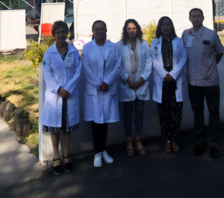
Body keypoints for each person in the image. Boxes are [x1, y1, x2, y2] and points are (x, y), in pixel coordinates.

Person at [181, 8, 224, 159]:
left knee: (213, 113)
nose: (196, 18)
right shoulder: (185, 35)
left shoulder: (211, 34)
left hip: (210, 81)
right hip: (193, 82)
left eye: (199, 16)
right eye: (193, 16)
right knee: (197, 113)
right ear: (189, 18)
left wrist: (211, 66)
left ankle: (214, 144)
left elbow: (220, 52)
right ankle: (200, 142)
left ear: (203, 18)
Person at [42, 20, 82, 174]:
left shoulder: (73, 52)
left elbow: (78, 72)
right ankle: (56, 157)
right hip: (55, 96)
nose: (60, 35)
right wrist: (59, 89)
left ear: (67, 34)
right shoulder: (49, 53)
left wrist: (68, 89)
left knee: (66, 128)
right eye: (57, 32)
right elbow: (48, 74)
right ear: (53, 35)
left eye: (63, 32)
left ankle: (67, 157)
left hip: (69, 95)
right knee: (54, 128)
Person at [82, 20, 121, 168]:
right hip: (95, 90)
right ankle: (97, 153)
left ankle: (103, 150)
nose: (99, 31)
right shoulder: (87, 48)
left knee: (104, 122)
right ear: (93, 31)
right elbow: (86, 69)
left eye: (101, 29)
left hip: (108, 89)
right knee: (96, 122)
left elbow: (117, 65)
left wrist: (107, 82)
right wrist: (99, 83)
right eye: (96, 29)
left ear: (106, 31)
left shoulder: (113, 47)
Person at [151, 16, 187, 155]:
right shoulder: (155, 42)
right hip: (162, 82)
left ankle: (175, 139)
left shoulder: (179, 41)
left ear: (172, 26)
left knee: (176, 112)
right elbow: (153, 59)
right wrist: (164, 74)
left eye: (168, 24)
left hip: (175, 81)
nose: (166, 27)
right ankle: (167, 140)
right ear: (160, 27)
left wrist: (172, 74)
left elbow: (184, 58)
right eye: (163, 25)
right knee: (163, 113)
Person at [116, 19, 152, 157]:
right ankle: (129, 141)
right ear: (125, 30)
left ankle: (138, 140)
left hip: (140, 84)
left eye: (134, 28)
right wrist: (127, 79)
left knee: (139, 114)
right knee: (127, 114)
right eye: (129, 28)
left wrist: (142, 79)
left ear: (138, 29)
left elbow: (149, 63)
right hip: (127, 85)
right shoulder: (119, 45)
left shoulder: (144, 44)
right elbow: (117, 65)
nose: (132, 31)